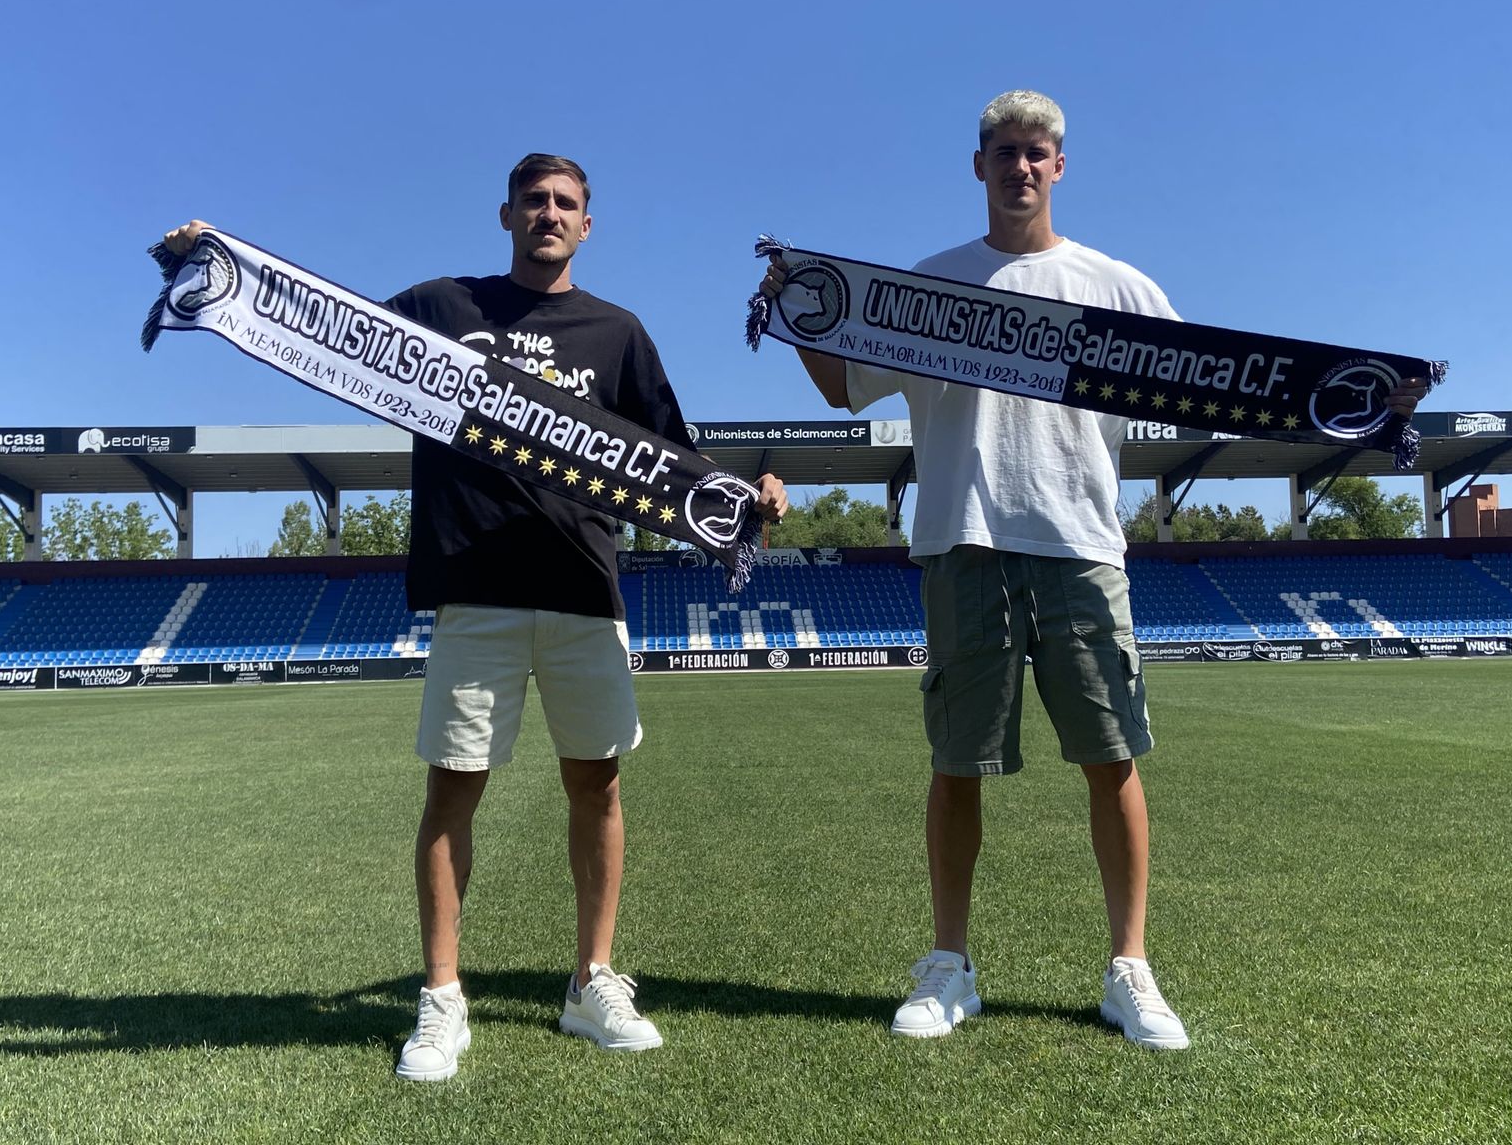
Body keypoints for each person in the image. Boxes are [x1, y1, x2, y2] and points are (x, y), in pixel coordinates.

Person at [764, 90, 1426, 1050]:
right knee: (957, 765)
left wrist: (1338, 401)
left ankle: (1131, 969)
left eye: (1037, 153)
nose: (1020, 168)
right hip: (964, 539)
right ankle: (948, 965)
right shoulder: (927, 286)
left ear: (1059, 166)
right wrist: (799, 309)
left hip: (1081, 543)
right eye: (1003, 152)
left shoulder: (1118, 286)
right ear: (978, 164)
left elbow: (1211, 384)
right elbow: (847, 388)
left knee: (1111, 759)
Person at [166, 154, 787, 1082]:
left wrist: (753, 497)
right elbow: (329, 337)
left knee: (599, 789)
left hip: (584, 590)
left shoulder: (619, 333)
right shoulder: (441, 307)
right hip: (474, 590)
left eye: (566, 204)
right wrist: (217, 269)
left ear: (588, 225)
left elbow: (677, 461)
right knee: (453, 790)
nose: (549, 214)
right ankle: (443, 998)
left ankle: (592, 981)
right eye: (534, 201)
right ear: (506, 215)